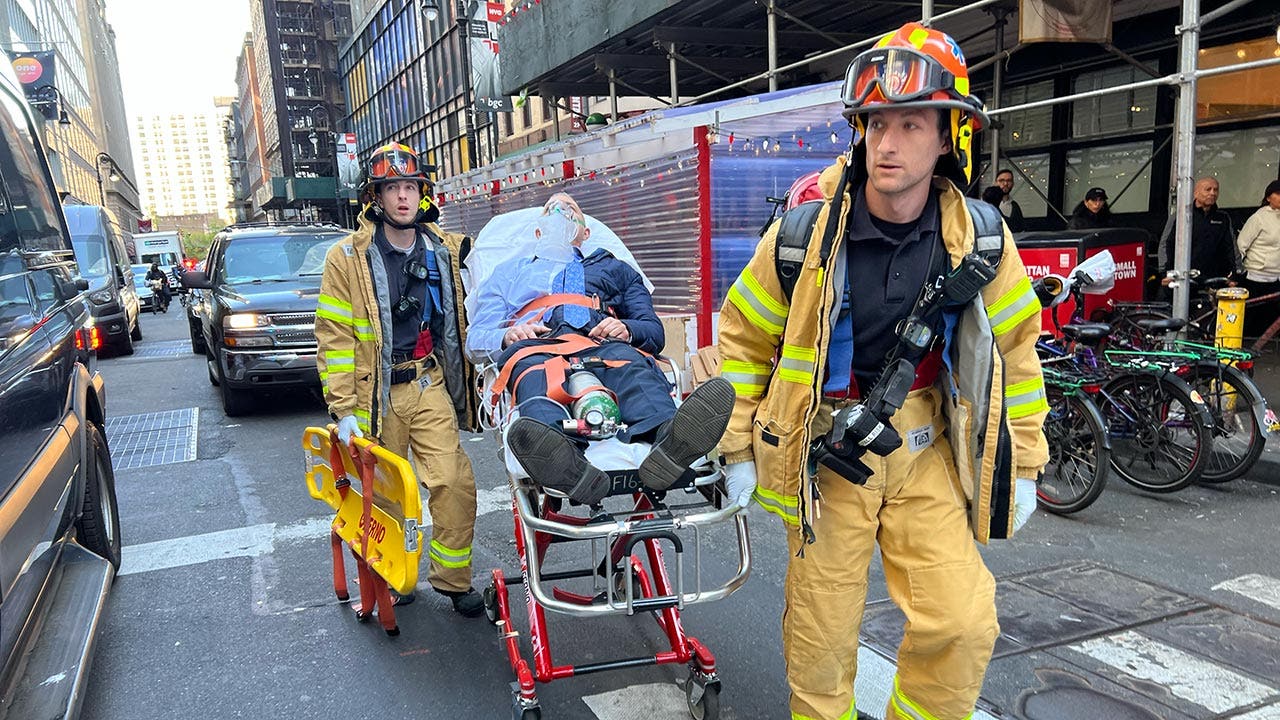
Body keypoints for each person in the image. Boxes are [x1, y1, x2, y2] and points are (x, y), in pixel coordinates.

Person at [717, 22, 1048, 720]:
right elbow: (744, 342)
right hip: (829, 449)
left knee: (962, 622)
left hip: (927, 446)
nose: (887, 143)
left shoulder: (982, 238)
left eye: (909, 123)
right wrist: (738, 446)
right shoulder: (804, 235)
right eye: (875, 125)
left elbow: (1018, 359)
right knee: (822, 638)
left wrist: (1024, 466)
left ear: (949, 135)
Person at [466, 192, 747, 508]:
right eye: (552, 210)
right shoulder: (507, 274)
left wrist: (627, 329)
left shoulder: (617, 270)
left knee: (635, 370)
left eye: (571, 209)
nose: (561, 212)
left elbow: (653, 332)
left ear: (585, 234)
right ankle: (567, 466)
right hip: (538, 348)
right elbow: (476, 338)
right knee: (534, 382)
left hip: (605, 347)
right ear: (537, 232)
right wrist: (507, 335)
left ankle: (672, 443)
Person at [314, 142, 484, 617]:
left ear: (422, 193)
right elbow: (335, 337)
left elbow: (495, 280)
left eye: (410, 187)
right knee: (386, 498)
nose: (403, 197)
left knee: (452, 481)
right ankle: (395, 574)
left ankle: (452, 580)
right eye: (393, 188)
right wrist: (343, 411)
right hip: (377, 395)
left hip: (428, 384)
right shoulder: (347, 259)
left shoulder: (448, 250)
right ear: (377, 196)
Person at [1158, 177, 1236, 286]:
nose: (1212, 193)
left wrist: (1234, 275)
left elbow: (1231, 248)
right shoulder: (1180, 215)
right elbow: (1166, 244)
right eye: (1208, 189)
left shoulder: (1223, 218)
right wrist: (1164, 273)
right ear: (1195, 193)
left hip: (1215, 279)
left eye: (1216, 190)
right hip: (1184, 279)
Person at [1236, 179, 1280, 336]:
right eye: (1278, 194)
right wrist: (1236, 272)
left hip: (1276, 278)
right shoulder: (1259, 217)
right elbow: (1241, 245)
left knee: (1270, 320)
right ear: (1268, 197)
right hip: (1256, 275)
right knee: (1251, 318)